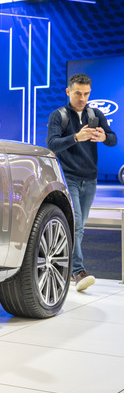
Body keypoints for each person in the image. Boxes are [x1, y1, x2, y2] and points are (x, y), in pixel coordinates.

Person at [47, 73, 117, 292]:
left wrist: (103, 137)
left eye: (86, 93)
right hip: (69, 177)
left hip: (91, 178)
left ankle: (61, 264)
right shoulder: (58, 116)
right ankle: (78, 271)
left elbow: (113, 138)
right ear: (68, 92)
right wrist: (76, 137)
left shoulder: (95, 114)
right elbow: (51, 144)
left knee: (79, 226)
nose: (82, 98)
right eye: (78, 93)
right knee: (76, 223)